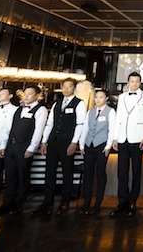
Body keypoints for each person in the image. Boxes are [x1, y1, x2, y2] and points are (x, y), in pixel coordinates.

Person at [33, 78, 87, 215]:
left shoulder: (79, 103)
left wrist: (74, 142)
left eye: (69, 86)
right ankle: (47, 202)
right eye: (64, 87)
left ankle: (65, 202)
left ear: (74, 88)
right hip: (53, 142)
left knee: (67, 173)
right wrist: (44, 141)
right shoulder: (57, 103)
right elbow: (50, 123)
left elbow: (80, 124)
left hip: (67, 142)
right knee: (49, 172)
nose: (66, 89)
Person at [0, 86, 47, 216]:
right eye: (25, 94)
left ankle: (19, 202)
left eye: (30, 94)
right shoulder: (18, 109)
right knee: (10, 176)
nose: (26, 96)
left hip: (24, 147)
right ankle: (7, 202)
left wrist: (32, 147)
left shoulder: (40, 110)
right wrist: (3, 145)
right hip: (11, 146)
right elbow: (8, 128)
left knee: (22, 175)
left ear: (37, 96)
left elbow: (38, 130)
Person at [110, 72, 143, 218]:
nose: (134, 84)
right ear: (128, 82)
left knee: (136, 171)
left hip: (138, 138)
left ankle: (133, 201)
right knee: (122, 171)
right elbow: (119, 117)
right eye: (132, 81)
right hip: (123, 138)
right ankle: (122, 202)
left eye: (137, 81)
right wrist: (115, 137)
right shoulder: (121, 97)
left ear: (140, 83)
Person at [79, 90, 114, 215]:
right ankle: (86, 202)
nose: (98, 99)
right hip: (89, 145)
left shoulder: (110, 111)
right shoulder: (90, 111)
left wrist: (108, 146)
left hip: (101, 146)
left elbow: (112, 129)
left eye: (101, 97)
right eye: (96, 97)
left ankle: (98, 203)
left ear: (106, 98)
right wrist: (81, 144)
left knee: (100, 174)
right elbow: (85, 128)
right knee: (88, 174)